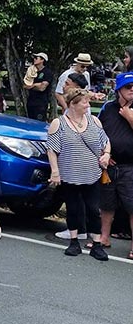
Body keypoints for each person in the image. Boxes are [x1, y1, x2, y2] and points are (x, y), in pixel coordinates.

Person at [47, 88, 111, 260]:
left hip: (92, 174)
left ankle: (96, 244)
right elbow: (52, 150)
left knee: (93, 209)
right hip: (69, 174)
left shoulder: (94, 122)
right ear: (73, 104)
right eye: (85, 102)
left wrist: (106, 155)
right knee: (73, 208)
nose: (88, 105)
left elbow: (106, 142)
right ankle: (74, 241)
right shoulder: (58, 124)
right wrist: (55, 171)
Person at [97, 73, 133, 259]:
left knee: (132, 206)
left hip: (130, 166)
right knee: (106, 204)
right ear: (118, 89)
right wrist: (104, 153)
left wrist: (129, 117)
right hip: (109, 164)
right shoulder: (108, 108)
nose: (132, 89)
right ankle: (104, 237)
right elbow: (97, 131)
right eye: (128, 86)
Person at [23, 52, 53, 121]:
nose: (34, 59)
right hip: (30, 102)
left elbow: (42, 88)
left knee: (39, 122)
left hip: (41, 103)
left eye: (36, 58)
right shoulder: (31, 71)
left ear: (42, 60)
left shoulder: (47, 72)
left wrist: (33, 85)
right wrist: (36, 85)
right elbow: (25, 85)